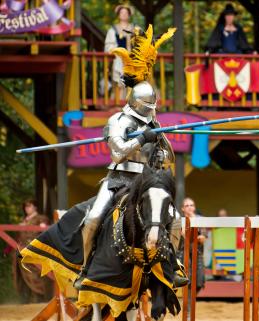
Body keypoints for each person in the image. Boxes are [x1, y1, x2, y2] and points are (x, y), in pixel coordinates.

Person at [75, 25, 188, 289]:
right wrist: (141, 138)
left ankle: (175, 265)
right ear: (136, 102)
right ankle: (85, 267)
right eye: (147, 106)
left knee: (175, 218)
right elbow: (117, 151)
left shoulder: (152, 123)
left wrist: (159, 140)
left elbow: (165, 157)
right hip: (118, 178)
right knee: (93, 218)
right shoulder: (119, 120)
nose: (150, 111)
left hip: (145, 182)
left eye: (153, 107)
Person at [12, 200, 51, 303]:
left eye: (29, 206)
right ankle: (25, 300)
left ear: (35, 207)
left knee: (36, 276)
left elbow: (45, 232)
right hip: (21, 252)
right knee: (22, 277)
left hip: (34, 251)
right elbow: (17, 238)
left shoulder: (41, 219)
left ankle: (40, 299)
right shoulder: (24, 220)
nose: (27, 208)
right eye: (25, 206)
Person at [104, 4, 135, 99]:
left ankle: (133, 101)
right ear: (118, 15)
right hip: (119, 58)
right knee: (119, 79)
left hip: (133, 58)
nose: (124, 15)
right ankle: (119, 100)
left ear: (129, 15)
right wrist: (117, 51)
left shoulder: (135, 29)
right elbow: (109, 45)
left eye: (126, 13)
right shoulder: (113, 30)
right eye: (122, 13)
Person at [179, 197, 207, 292]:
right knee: (185, 279)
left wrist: (194, 219)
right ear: (183, 208)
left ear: (194, 207)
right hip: (183, 252)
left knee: (199, 281)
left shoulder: (201, 219)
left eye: (191, 205)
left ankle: (190, 301)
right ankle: (188, 302)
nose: (190, 207)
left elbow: (203, 237)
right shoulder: (180, 220)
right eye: (187, 205)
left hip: (197, 252)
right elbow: (183, 235)